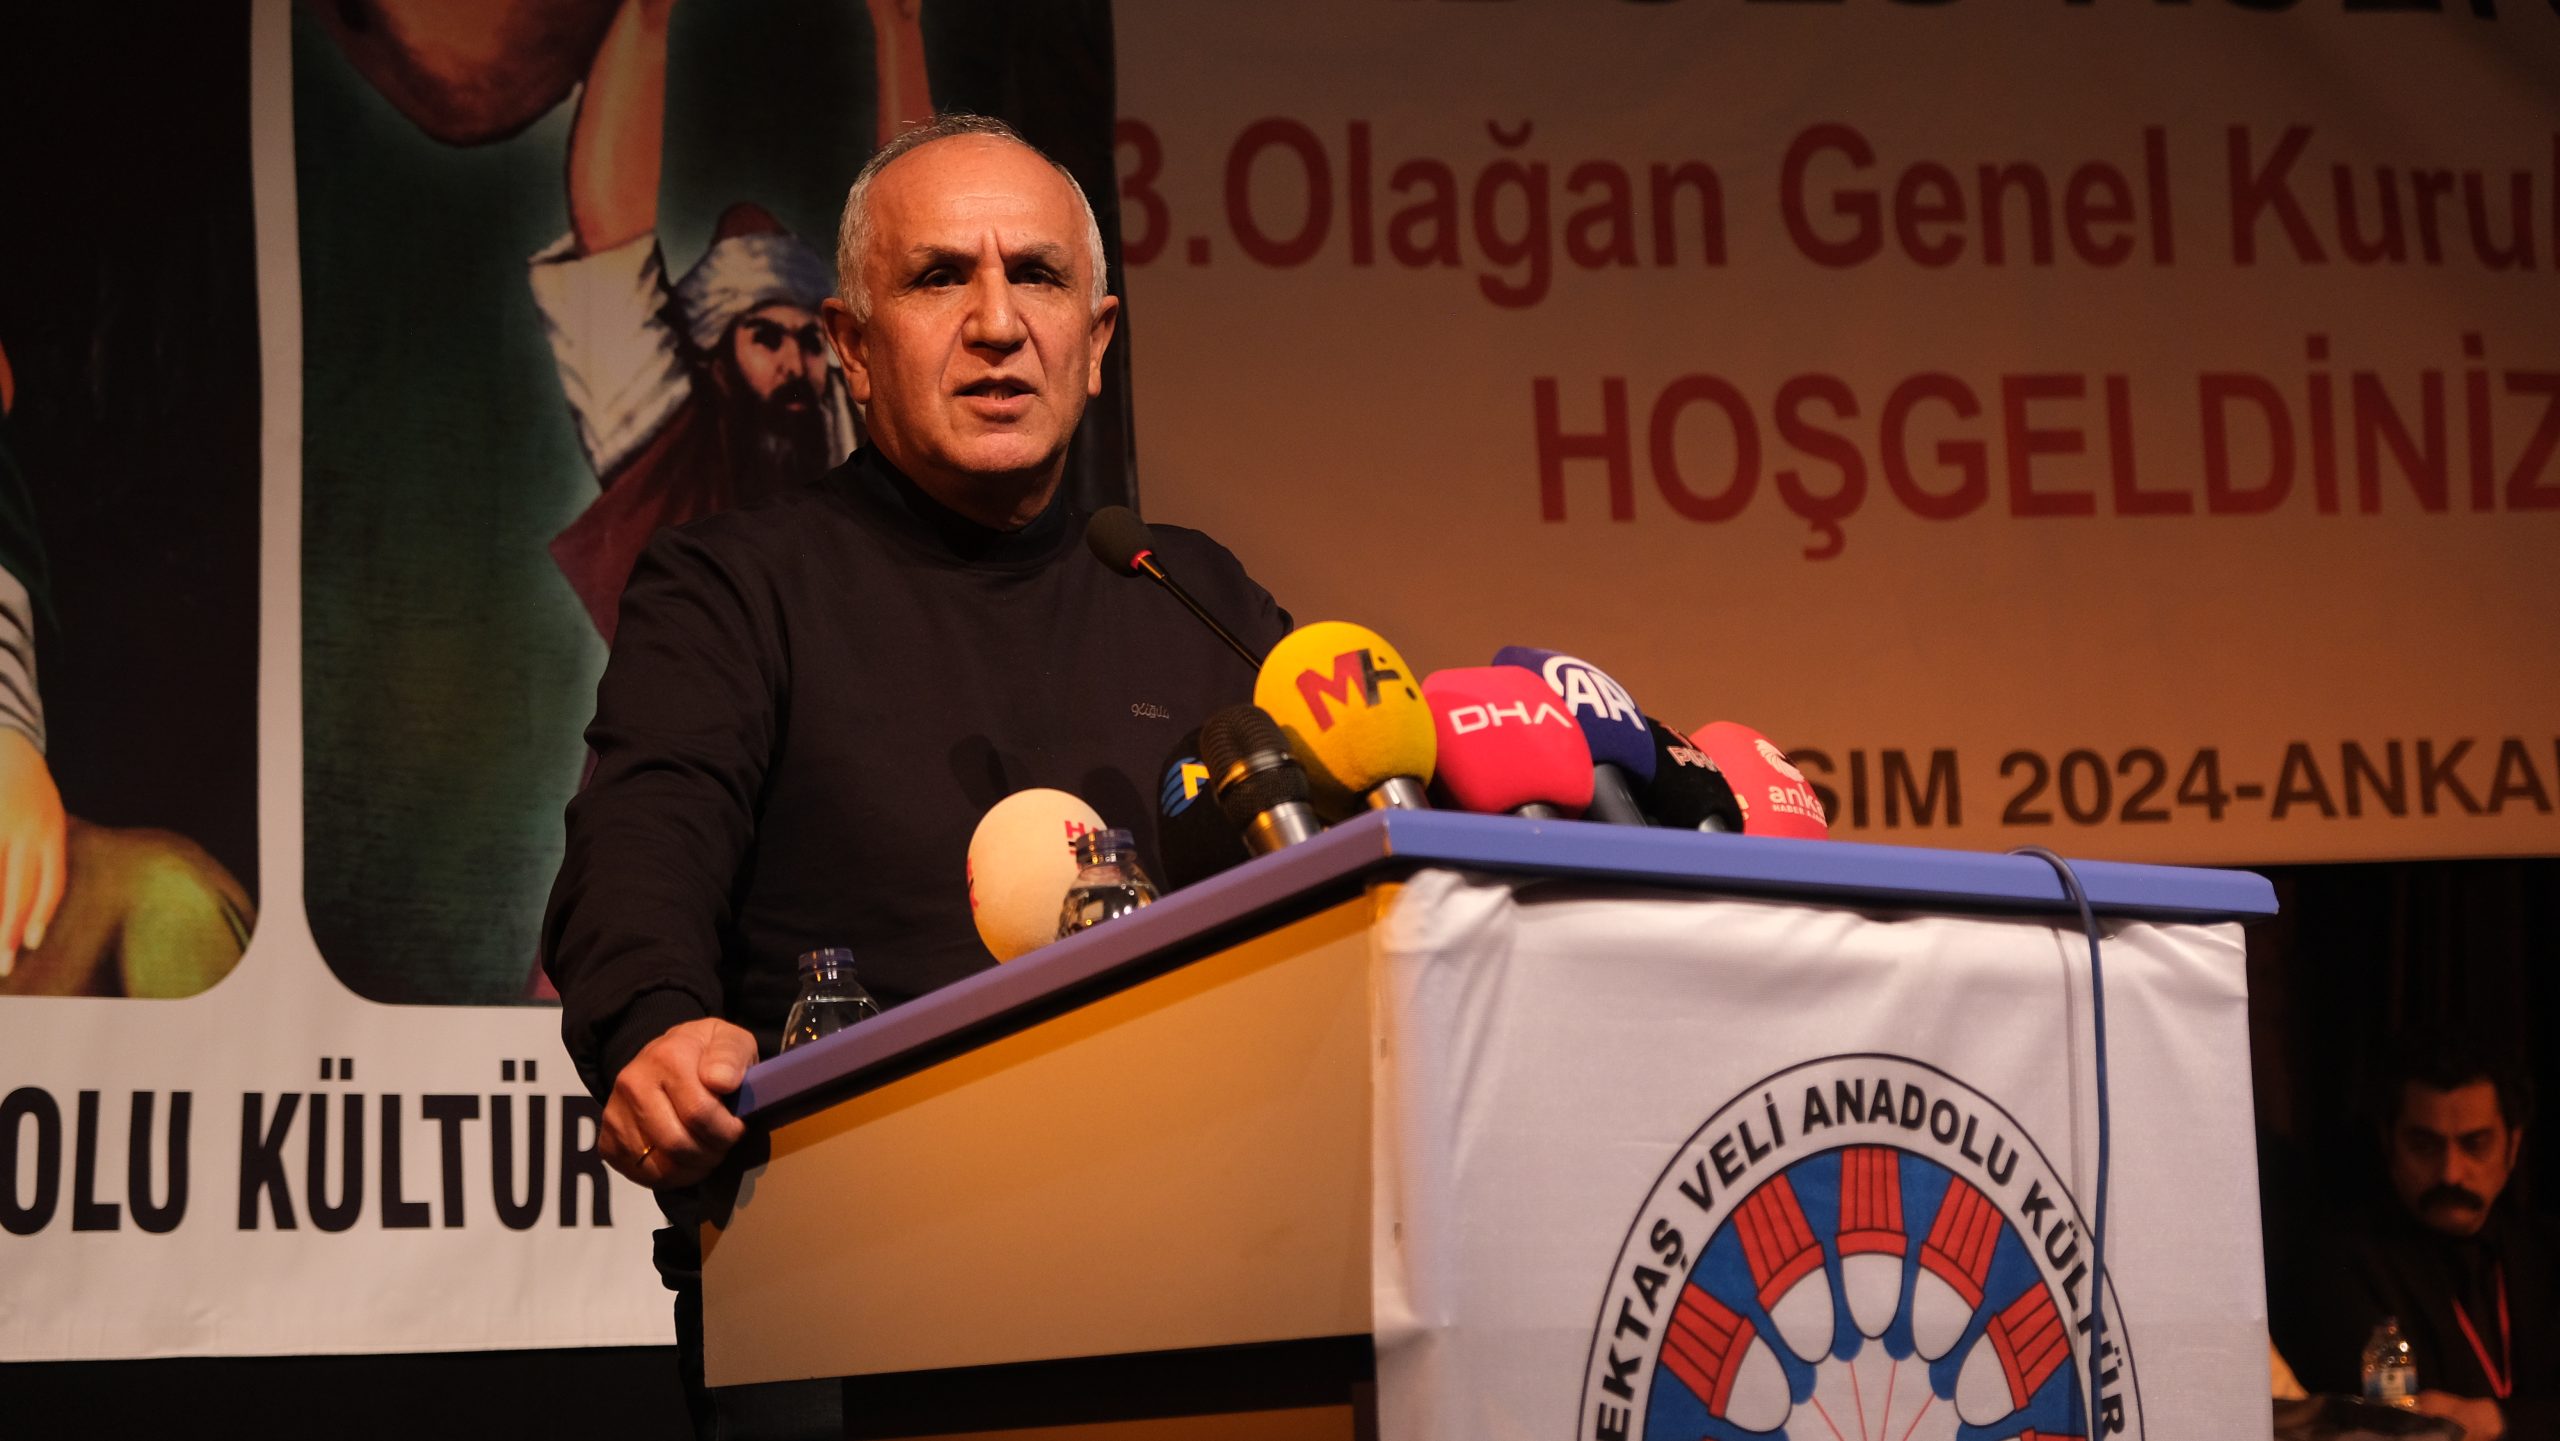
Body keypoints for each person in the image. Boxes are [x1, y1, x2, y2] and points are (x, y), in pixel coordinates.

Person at [540, 114, 1287, 1437]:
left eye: (1036, 277)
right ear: (852, 345)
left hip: (1220, 1283)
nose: (997, 324)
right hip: (855, 1301)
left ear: (1096, 341)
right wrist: (653, 1020)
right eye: (940, 277)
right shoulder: (736, 588)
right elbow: (642, 843)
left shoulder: (1195, 597)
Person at [527, 0, 930, 642]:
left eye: (808, 341)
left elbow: (921, 241)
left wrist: (898, 26)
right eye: (765, 338)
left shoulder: (846, 428)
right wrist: (646, 15)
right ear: (716, 361)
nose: (796, 363)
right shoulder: (662, 431)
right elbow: (610, 229)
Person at [2273, 1033, 2559, 1438]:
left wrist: (2497, 1418)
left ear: (2513, 1147)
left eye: (2475, 1145)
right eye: (2424, 1146)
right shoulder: (2339, 1264)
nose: (2451, 1173)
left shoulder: (2546, 1251)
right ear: (2389, 1144)